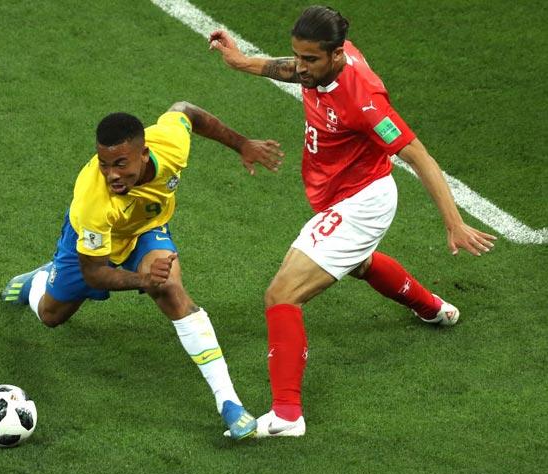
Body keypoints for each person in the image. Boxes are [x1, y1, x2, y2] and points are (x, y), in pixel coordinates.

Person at [209, 5, 497, 438]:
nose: (301, 67)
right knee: (358, 263)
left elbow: (419, 157)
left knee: (281, 294)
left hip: (362, 202)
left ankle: (288, 415)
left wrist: (454, 223)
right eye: (298, 56)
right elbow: (289, 69)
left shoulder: (364, 102)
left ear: (338, 55)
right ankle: (434, 309)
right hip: (338, 195)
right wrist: (240, 61)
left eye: (311, 60)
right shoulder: (320, 67)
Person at [1, 101, 284, 440]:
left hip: (146, 230)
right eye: (104, 165)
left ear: (144, 153)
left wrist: (242, 144)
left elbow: (187, 112)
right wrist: (140, 280)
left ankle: (229, 404)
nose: (111, 175)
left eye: (120, 163)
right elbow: (95, 272)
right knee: (51, 315)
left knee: (169, 290)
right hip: (92, 246)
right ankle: (39, 280)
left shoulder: (170, 145)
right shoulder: (93, 199)